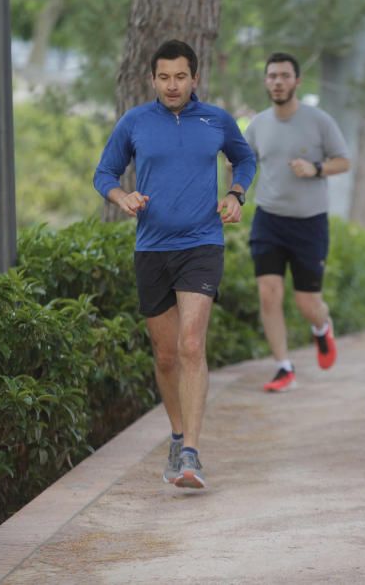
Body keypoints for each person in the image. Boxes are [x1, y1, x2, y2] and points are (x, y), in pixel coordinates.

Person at [93, 39, 256, 489]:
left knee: (189, 344)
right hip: (152, 249)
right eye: (163, 77)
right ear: (152, 79)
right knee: (166, 357)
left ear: (194, 78)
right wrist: (122, 196)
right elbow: (103, 173)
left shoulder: (216, 120)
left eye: (180, 76)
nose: (171, 85)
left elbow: (244, 158)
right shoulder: (135, 123)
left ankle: (191, 455)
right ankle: (177, 433)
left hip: (202, 244)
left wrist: (235, 193)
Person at [244, 52, 350, 392]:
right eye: (272, 75)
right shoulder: (258, 124)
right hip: (268, 220)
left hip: (309, 223)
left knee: (308, 303)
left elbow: (344, 161)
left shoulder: (319, 121)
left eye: (284, 76)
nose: (278, 81)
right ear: (266, 81)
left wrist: (316, 169)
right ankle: (283, 367)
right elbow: (244, 162)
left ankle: (322, 328)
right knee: (268, 294)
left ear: (297, 81)